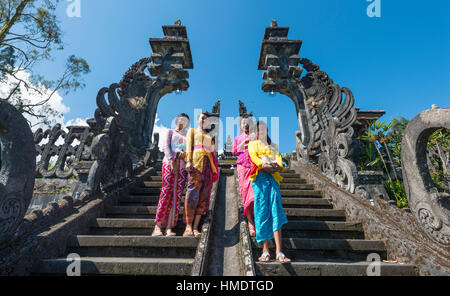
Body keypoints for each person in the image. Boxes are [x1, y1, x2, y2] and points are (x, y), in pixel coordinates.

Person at [248, 121, 291, 263]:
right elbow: (255, 159)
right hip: (259, 180)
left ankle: (279, 251)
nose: (262, 131)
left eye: (264, 128)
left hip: (273, 179)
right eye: (259, 129)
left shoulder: (273, 146)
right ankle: (265, 250)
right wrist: (265, 164)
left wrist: (275, 166)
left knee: (276, 210)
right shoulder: (253, 144)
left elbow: (279, 162)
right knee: (261, 211)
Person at [152, 113, 190, 237]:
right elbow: (166, 147)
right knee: (166, 193)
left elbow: (188, 152)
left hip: (182, 168)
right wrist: (172, 160)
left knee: (176, 197)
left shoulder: (187, 137)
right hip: (169, 164)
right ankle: (157, 227)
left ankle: (169, 227)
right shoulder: (170, 132)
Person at [183, 112, 219, 238]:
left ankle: (195, 227)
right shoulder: (192, 131)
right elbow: (188, 147)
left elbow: (212, 154)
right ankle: (188, 226)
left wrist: (214, 169)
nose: (204, 120)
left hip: (207, 167)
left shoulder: (209, 137)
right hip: (196, 164)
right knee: (192, 195)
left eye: (207, 119)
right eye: (202, 118)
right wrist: (188, 160)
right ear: (198, 119)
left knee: (204, 197)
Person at [232, 115, 257, 236]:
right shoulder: (237, 138)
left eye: (248, 123)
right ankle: (250, 222)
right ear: (241, 126)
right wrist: (244, 142)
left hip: (254, 166)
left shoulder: (256, 136)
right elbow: (234, 151)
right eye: (243, 123)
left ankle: (256, 218)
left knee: (255, 193)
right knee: (245, 193)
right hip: (242, 166)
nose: (246, 125)